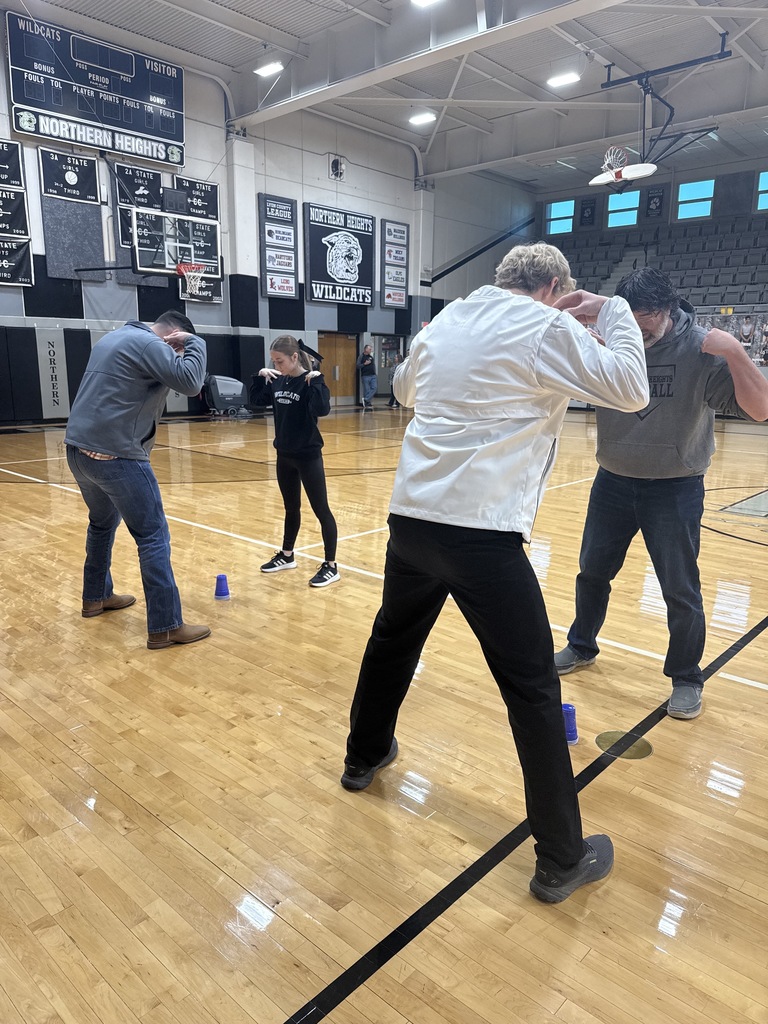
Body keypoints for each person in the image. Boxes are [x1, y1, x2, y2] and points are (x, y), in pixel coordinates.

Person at [341, 242, 650, 903]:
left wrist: (428, 349)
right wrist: (612, 309)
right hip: (480, 533)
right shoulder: (546, 325)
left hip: (412, 519)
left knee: (392, 639)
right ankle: (561, 859)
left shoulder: (448, 320)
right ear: (554, 288)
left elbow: (403, 390)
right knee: (532, 690)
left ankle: (362, 756)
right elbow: (631, 389)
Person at [555, 268, 768, 719]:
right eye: (628, 320)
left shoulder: (700, 349)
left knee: (679, 588)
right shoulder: (613, 341)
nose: (638, 331)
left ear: (669, 309)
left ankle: (687, 676)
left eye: (647, 319)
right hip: (612, 480)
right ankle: (581, 645)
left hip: (675, 488)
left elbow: (761, 409)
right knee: (592, 573)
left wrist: (733, 350)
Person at [65, 311, 211, 650]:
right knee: (153, 535)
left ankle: (95, 597)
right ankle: (165, 626)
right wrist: (195, 343)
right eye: (178, 348)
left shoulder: (113, 338)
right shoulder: (150, 344)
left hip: (78, 451)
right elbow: (191, 383)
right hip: (116, 454)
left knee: (101, 524)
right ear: (174, 335)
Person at [253, 335, 340, 588]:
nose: (276, 365)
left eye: (279, 361)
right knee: (291, 508)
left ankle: (331, 566)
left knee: (321, 510)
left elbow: (321, 410)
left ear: (294, 357)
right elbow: (257, 401)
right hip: (284, 455)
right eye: (273, 361)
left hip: (308, 456)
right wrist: (260, 376)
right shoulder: (278, 380)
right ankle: (287, 555)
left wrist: (318, 383)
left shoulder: (309, 381)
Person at [356, 344, 377, 409]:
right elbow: (358, 366)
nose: (371, 350)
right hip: (365, 376)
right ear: (366, 349)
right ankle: (367, 403)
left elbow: (373, 365)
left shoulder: (371, 357)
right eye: (369, 349)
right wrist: (364, 364)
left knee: (374, 388)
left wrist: (375, 373)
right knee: (367, 390)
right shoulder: (361, 357)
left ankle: (366, 399)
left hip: (373, 375)